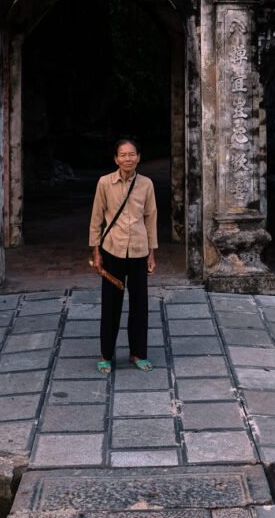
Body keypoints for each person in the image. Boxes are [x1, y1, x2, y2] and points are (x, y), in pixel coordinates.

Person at [89, 138, 157, 374]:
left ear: (138, 157)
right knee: (111, 306)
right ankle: (106, 355)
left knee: (140, 305)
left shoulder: (146, 184)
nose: (128, 159)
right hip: (112, 251)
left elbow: (151, 219)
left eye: (132, 154)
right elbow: (96, 219)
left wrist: (151, 254)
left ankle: (138, 352)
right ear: (116, 159)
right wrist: (96, 253)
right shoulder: (104, 183)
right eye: (123, 155)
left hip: (139, 251)